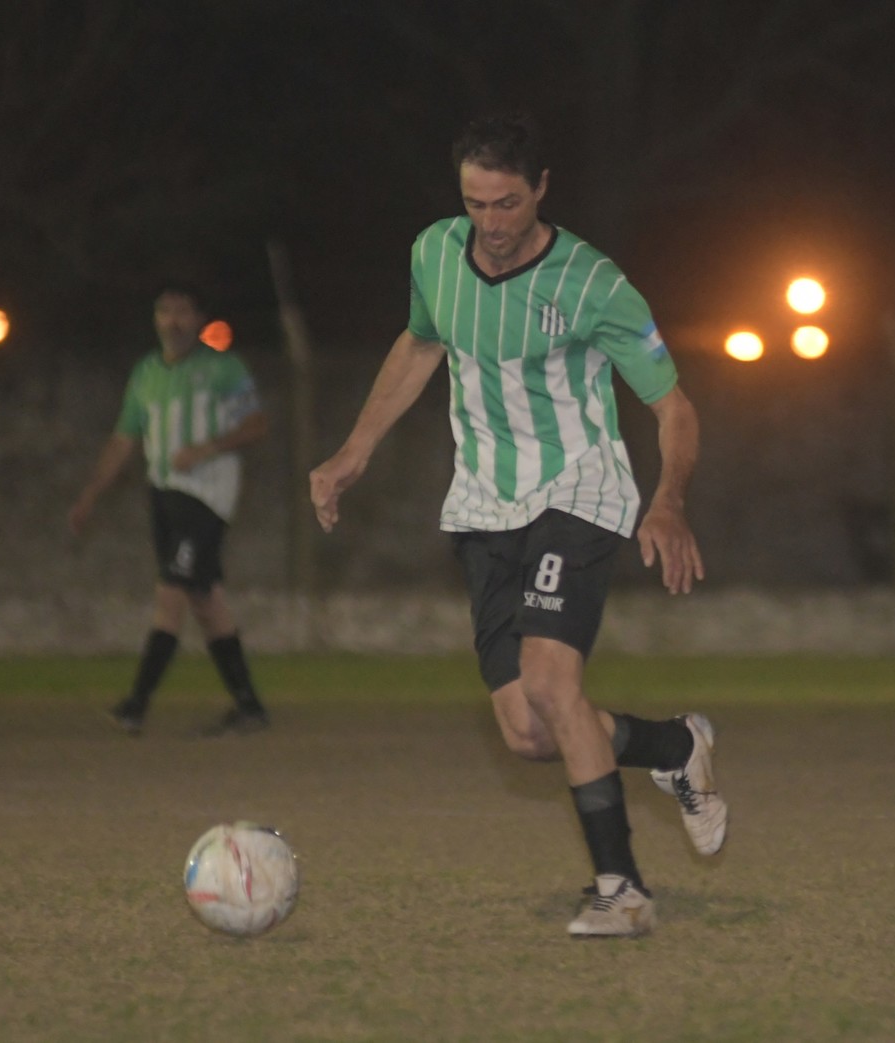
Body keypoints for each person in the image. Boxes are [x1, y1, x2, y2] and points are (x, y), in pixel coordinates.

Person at [309, 113, 726, 939]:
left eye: (506, 204)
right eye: (475, 204)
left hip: (578, 489)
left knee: (548, 680)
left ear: (540, 189)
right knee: (530, 731)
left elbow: (672, 404)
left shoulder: (593, 284)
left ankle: (623, 888)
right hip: (482, 505)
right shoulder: (435, 252)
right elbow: (421, 345)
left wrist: (669, 495)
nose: (491, 226)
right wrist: (354, 448)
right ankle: (674, 745)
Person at [69, 282, 271, 737]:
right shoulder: (146, 373)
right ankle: (249, 706)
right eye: (165, 311)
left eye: (182, 311)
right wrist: (91, 495)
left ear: (198, 319)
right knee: (206, 598)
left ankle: (136, 704)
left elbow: (257, 424)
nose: (173, 320)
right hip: (163, 493)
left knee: (171, 593)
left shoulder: (222, 369)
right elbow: (124, 438)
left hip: (204, 495)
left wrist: (207, 448)